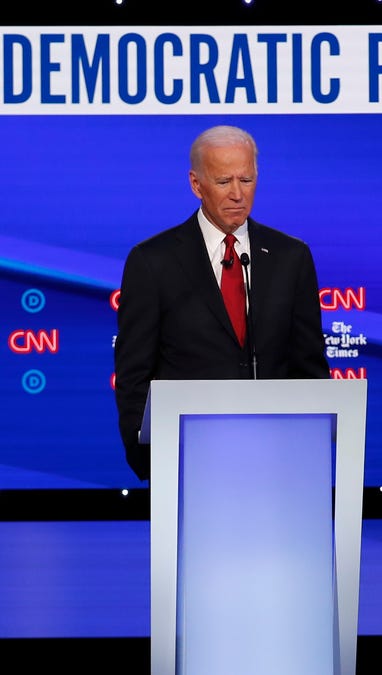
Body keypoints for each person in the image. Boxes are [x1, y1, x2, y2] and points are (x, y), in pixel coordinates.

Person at [114, 125, 330, 481]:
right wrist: (147, 458)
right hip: (187, 462)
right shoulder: (153, 261)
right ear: (196, 185)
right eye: (223, 181)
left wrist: (314, 447)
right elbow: (134, 373)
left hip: (280, 462)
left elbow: (309, 366)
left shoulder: (291, 257)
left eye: (246, 180)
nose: (237, 194)